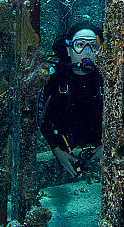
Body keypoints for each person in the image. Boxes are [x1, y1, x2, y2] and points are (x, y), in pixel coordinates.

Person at [39, 20, 103, 177]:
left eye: (94, 46)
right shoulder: (55, 81)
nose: (87, 52)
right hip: (66, 143)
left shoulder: (108, 80)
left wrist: (109, 144)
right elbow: (42, 119)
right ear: (69, 49)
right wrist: (57, 150)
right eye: (80, 45)